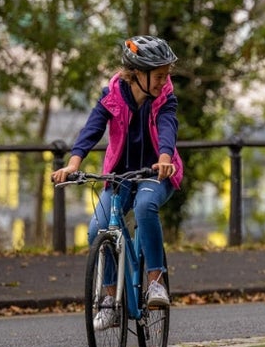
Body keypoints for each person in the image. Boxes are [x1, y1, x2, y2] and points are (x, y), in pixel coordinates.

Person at [51, 35, 183, 328]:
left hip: (156, 173)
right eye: (159, 75)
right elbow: (92, 128)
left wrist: (164, 158)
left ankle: (156, 281)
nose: (164, 81)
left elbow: (167, 127)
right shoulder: (112, 95)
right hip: (119, 175)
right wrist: (73, 164)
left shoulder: (165, 98)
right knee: (97, 228)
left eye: (166, 75)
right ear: (138, 73)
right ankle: (109, 300)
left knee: (146, 205)